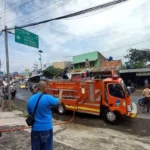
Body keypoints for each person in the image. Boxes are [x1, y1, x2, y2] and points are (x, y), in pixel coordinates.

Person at [27, 81, 63, 150]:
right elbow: (59, 102)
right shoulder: (48, 98)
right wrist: (60, 92)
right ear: (45, 88)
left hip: (35, 129)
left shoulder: (30, 99)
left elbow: (29, 112)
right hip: (46, 129)